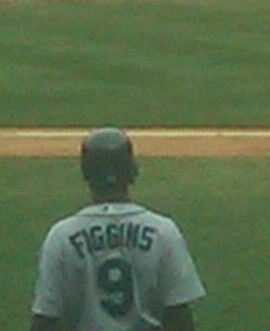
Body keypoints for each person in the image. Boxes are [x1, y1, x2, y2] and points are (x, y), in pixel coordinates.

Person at [31, 126, 206, 331]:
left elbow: (45, 321)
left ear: (86, 173)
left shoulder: (61, 237)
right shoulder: (163, 232)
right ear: (132, 171)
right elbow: (179, 319)